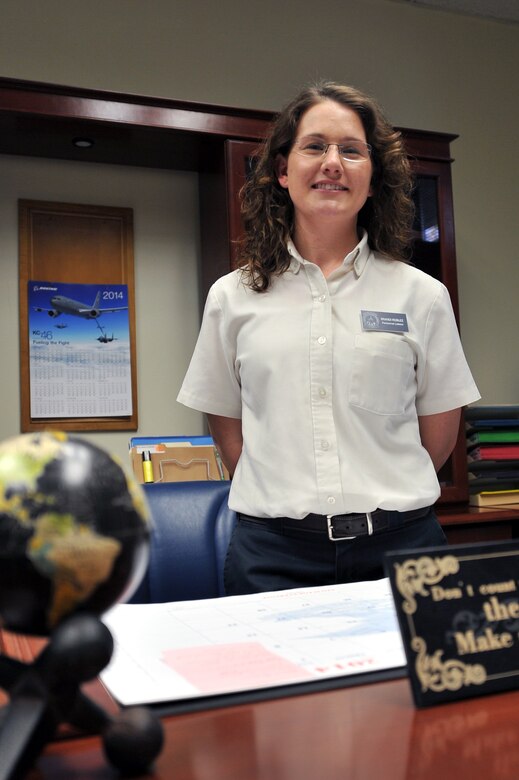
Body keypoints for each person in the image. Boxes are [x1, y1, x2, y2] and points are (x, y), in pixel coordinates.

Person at [177, 81, 480, 595]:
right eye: (314, 146)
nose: (332, 162)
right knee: (270, 679)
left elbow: (437, 438)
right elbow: (227, 422)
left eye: (352, 150)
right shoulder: (233, 297)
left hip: (401, 550)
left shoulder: (422, 296)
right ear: (281, 170)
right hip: (272, 555)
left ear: (371, 177)